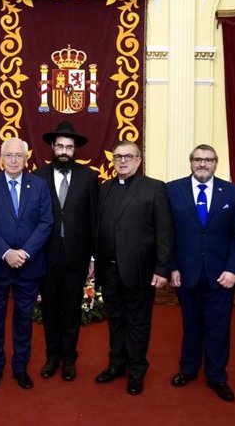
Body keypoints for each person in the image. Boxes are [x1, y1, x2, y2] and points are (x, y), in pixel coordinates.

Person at [167, 144, 235, 402]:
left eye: (208, 160)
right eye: (198, 160)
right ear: (190, 162)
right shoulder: (172, 190)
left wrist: (234, 269)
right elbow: (165, 234)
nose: (203, 164)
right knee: (191, 325)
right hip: (185, 273)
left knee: (218, 327)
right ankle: (188, 369)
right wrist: (172, 267)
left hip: (221, 275)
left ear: (216, 163)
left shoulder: (232, 192)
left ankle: (216, 376)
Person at [94, 140, 173, 395]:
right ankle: (117, 364)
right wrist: (95, 261)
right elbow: (99, 229)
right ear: (113, 160)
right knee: (115, 321)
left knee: (138, 323)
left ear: (139, 160)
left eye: (129, 156)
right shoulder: (104, 188)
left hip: (140, 271)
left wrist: (162, 269)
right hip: (109, 271)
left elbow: (164, 231)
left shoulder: (154, 188)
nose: (123, 161)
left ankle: (137, 370)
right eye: (118, 156)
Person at [0, 137, 53, 390]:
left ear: (26, 158)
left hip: (29, 266)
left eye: (18, 156)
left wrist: (25, 253)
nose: (13, 160)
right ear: (1, 158)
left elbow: (46, 222)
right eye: (8, 155)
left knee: (24, 320)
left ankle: (20, 367)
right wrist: (6, 252)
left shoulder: (40, 185)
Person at [33, 121, 98, 381]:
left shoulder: (89, 177)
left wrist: (93, 256)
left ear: (75, 150)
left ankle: (69, 359)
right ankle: (52, 357)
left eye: (69, 147)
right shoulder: (37, 177)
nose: (64, 151)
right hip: (46, 256)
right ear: (52, 147)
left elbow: (94, 219)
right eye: (59, 146)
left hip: (76, 256)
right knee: (49, 310)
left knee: (71, 311)